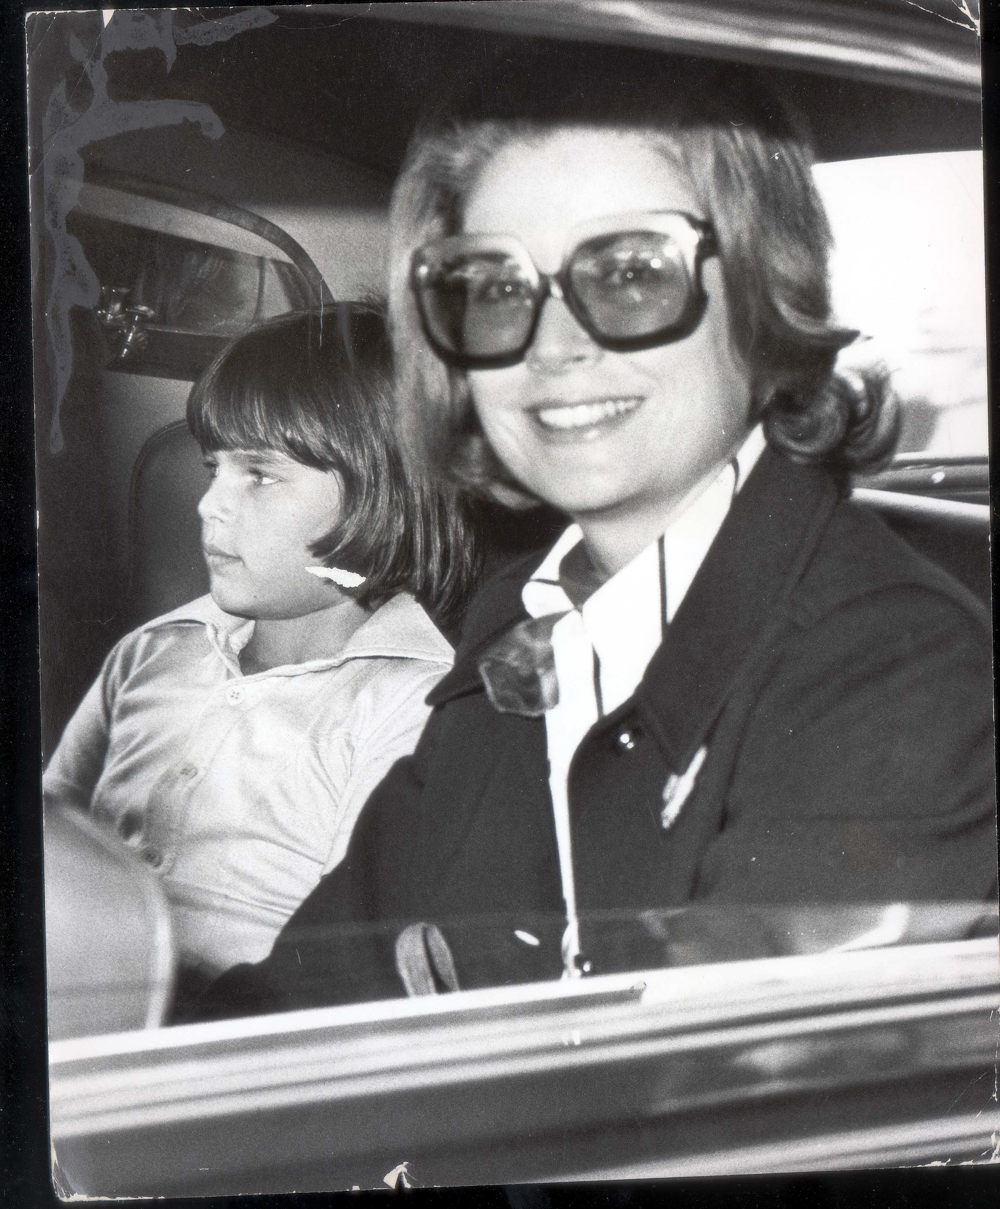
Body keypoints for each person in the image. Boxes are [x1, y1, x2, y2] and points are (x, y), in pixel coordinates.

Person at [188, 56, 996, 1020]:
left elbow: (712, 1106)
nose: (552, 344)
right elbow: (302, 1001)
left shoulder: (896, 668)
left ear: (759, 288)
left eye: (630, 273)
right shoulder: (514, 618)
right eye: (491, 287)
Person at [43, 308, 471, 985]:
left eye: (259, 475)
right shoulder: (151, 653)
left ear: (378, 492)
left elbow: (345, 962)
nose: (208, 504)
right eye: (214, 467)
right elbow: (49, 845)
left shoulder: (411, 703)